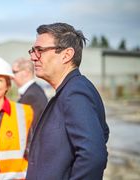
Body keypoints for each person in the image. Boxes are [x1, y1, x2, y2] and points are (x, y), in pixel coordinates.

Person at [26, 22, 110, 180]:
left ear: (66, 55)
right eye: (33, 50)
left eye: (40, 50)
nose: (33, 57)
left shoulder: (75, 92)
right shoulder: (67, 91)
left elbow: (93, 156)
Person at [12, 58, 48, 126]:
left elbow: (29, 127)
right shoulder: (35, 91)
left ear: (26, 72)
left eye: (14, 72)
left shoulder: (31, 96)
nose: (12, 76)